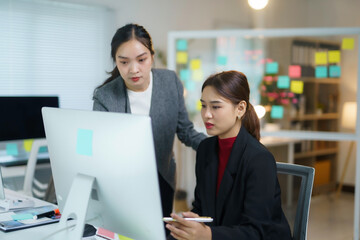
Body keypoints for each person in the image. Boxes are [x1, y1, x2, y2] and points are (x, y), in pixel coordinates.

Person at [92, 23, 206, 221]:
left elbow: (186, 131)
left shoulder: (170, 82)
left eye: (141, 60)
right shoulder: (105, 96)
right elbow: (100, 148)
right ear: (116, 62)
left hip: (162, 178)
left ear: (152, 56)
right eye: (124, 62)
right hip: (121, 182)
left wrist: (217, 146)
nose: (133, 69)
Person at [166, 71, 292, 240]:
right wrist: (193, 221)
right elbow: (202, 207)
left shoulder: (259, 159)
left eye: (215, 107)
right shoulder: (205, 149)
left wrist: (208, 234)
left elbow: (256, 232)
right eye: (203, 106)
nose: (206, 114)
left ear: (240, 108)